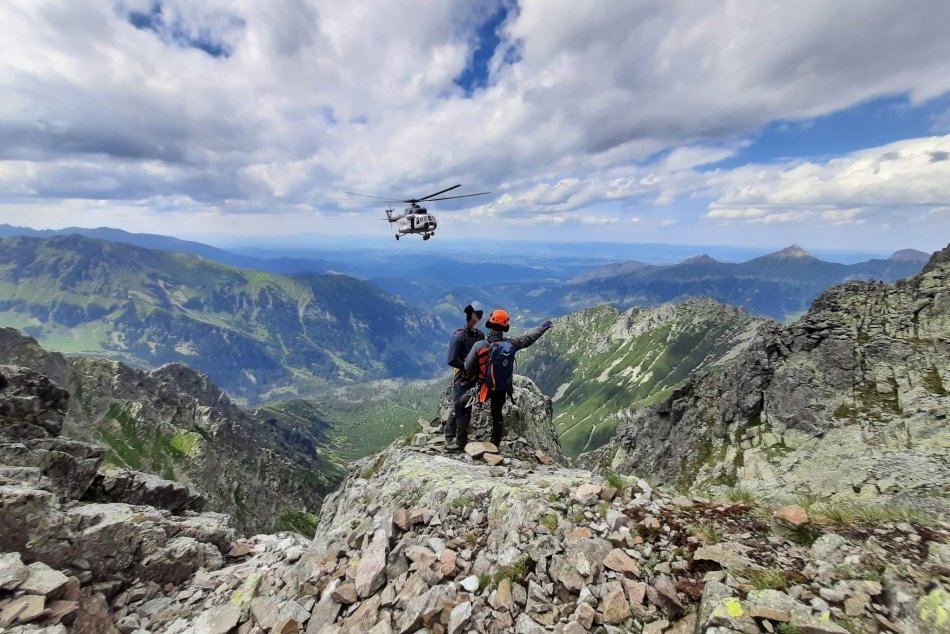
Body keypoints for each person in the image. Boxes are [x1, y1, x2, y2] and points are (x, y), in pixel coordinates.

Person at [464, 309, 553, 447]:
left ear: (489, 324)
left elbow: (468, 367)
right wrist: (543, 327)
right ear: (505, 327)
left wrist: (477, 374)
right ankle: (495, 442)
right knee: (497, 414)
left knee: (462, 403)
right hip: (501, 386)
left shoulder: (479, 345)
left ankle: (461, 435)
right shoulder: (511, 344)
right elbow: (529, 338)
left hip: (484, 386)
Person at [444, 304, 485, 450]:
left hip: (473, 375)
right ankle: (452, 436)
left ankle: (456, 432)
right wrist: (468, 366)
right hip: (462, 376)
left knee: (464, 404)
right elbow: (452, 359)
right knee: (459, 405)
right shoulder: (459, 336)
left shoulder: (478, 335)